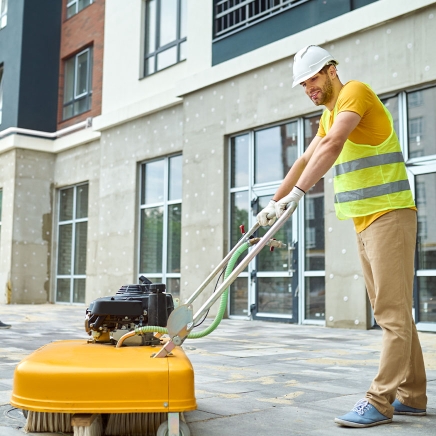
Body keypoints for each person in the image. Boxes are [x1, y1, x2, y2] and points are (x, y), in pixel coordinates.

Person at [257, 45, 427, 428]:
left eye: (313, 79)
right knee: (395, 311)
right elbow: (304, 159)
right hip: (364, 220)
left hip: (390, 214)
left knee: (390, 313)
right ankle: (413, 396)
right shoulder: (328, 113)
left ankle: (379, 401)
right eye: (303, 84)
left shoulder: (355, 93)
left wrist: (299, 195)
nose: (308, 88)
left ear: (332, 70)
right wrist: (272, 204)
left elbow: (333, 145)